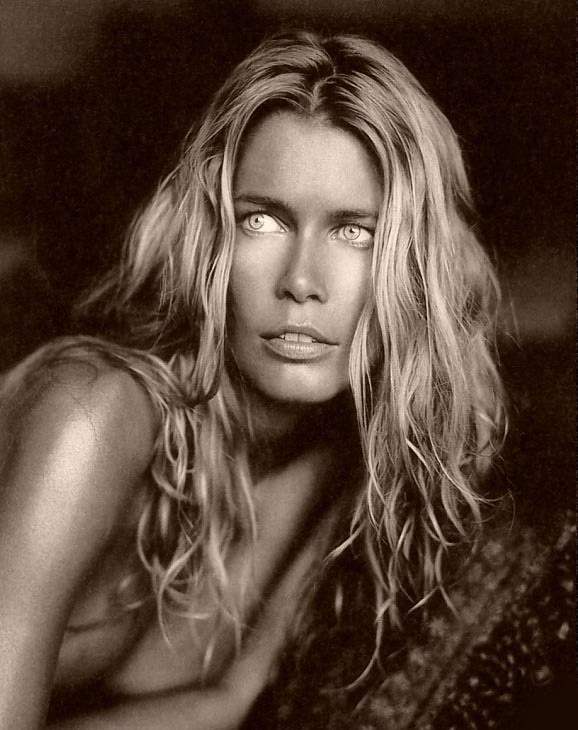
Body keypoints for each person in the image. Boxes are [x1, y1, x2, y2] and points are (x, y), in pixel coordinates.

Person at [0, 31, 572, 730]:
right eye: (263, 219)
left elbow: (227, 702)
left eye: (355, 232)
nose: (302, 281)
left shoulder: (346, 458)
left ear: (414, 265)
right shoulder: (90, 416)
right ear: (210, 238)